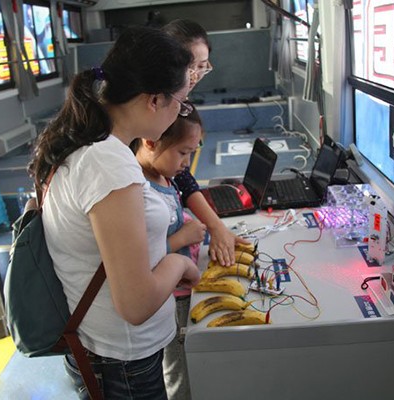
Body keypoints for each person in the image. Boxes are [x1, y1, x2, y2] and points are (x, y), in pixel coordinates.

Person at [28, 26, 200, 400]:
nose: (180, 113)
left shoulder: (84, 141)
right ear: (154, 100)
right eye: (181, 103)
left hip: (106, 350)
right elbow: (135, 304)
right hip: (123, 362)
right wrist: (181, 266)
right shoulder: (109, 162)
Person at [132, 105, 207, 400]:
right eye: (182, 153)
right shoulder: (139, 191)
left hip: (183, 286)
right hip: (169, 297)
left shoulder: (164, 178)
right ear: (150, 142)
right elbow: (139, 257)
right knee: (178, 371)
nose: (187, 163)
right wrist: (180, 239)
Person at [162, 19, 250, 268]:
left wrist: (216, 226)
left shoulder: (179, 103)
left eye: (202, 67)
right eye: (191, 67)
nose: (195, 76)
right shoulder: (157, 113)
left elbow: (183, 177)